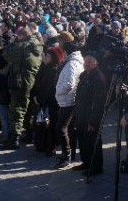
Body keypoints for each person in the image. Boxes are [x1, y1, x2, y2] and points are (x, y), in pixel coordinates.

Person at [1, 25, 43, 150]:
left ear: (22, 36)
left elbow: (7, 55)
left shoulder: (22, 46)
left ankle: (15, 139)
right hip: (32, 79)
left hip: (21, 80)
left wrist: (11, 44)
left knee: (17, 109)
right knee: (28, 107)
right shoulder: (37, 43)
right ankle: (29, 134)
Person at [73, 51, 107, 176]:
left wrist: (93, 121)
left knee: (93, 142)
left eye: (89, 62)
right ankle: (86, 162)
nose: (86, 64)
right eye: (85, 61)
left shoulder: (98, 78)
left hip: (91, 116)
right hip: (82, 115)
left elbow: (99, 102)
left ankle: (96, 167)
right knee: (83, 141)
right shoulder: (84, 75)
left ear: (96, 63)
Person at [54, 40, 84, 168]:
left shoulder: (72, 64)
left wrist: (58, 90)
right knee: (70, 128)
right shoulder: (75, 62)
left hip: (68, 100)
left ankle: (66, 155)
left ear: (67, 51)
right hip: (70, 99)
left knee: (60, 127)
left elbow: (69, 84)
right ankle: (70, 154)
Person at [31, 46, 63, 155]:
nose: (45, 58)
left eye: (48, 56)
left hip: (49, 102)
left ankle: (50, 147)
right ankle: (40, 144)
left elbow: (50, 89)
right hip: (40, 100)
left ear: (54, 58)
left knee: (49, 125)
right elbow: (37, 83)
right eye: (45, 55)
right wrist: (34, 95)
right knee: (40, 123)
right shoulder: (44, 67)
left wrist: (39, 99)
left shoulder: (54, 70)